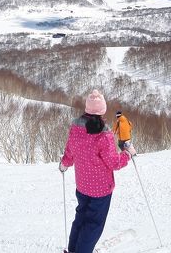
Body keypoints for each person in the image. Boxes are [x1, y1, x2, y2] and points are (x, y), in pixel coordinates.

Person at [59, 90, 136, 253]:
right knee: (93, 224)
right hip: (101, 190)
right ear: (102, 110)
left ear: (87, 109)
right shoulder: (104, 133)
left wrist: (64, 163)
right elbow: (114, 163)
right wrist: (127, 154)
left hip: (82, 186)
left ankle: (73, 250)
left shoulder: (75, 127)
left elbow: (70, 151)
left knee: (80, 218)